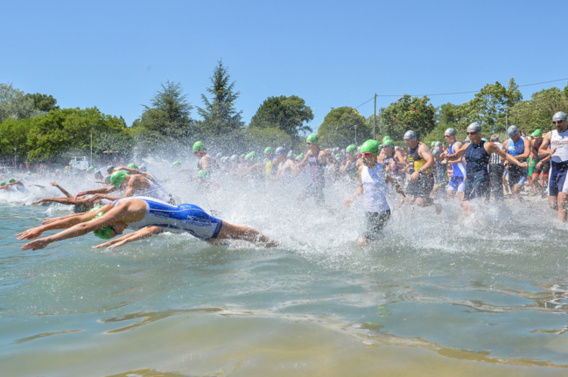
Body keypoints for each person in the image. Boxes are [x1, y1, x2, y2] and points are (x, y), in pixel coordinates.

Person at [18, 196, 278, 250]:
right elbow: (79, 218)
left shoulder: (123, 209)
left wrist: (49, 240)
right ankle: (271, 242)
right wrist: (44, 226)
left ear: (110, 224)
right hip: (186, 222)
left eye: (113, 231)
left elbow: (87, 226)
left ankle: (278, 245)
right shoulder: (111, 208)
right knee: (228, 241)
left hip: (191, 220)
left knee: (241, 235)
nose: (118, 231)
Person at [444, 123, 527, 216]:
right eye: (467, 133)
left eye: (472, 133)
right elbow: (456, 155)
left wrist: (519, 163)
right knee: (466, 204)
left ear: (479, 133)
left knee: (478, 203)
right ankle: (472, 224)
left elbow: (505, 155)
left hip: (481, 177)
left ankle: (484, 221)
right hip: (470, 178)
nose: (469, 135)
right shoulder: (466, 146)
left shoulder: (487, 145)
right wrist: (447, 156)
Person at [344, 139, 406, 246]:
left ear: (374, 155)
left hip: (383, 212)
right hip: (369, 212)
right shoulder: (361, 169)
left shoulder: (383, 170)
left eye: (366, 155)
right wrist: (351, 199)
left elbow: (395, 185)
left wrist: (404, 197)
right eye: (361, 155)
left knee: (363, 240)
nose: (363, 157)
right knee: (375, 237)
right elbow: (361, 187)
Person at [76, 170, 176, 205]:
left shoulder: (134, 180)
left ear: (123, 180)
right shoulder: (126, 181)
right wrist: (87, 192)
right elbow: (108, 190)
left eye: (120, 186)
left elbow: (126, 198)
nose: (120, 188)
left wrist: (102, 196)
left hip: (168, 202)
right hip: (161, 203)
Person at [538, 111, 568, 221]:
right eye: (554, 122)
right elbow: (540, 151)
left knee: (561, 202)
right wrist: (548, 151)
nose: (557, 124)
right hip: (554, 168)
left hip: (566, 168)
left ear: (565, 120)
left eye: (559, 122)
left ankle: (562, 232)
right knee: (552, 204)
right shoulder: (550, 134)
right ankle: (565, 217)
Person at [402, 130, 441, 212]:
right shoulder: (410, 148)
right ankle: (412, 218)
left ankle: (435, 203)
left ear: (413, 139)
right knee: (408, 198)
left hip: (425, 177)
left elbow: (431, 161)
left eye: (408, 140)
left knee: (419, 202)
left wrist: (418, 171)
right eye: (405, 140)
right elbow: (414, 161)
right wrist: (407, 168)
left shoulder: (422, 148)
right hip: (415, 177)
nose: (406, 142)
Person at [296, 134, 338, 205]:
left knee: (300, 197)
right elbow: (302, 163)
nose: (307, 145)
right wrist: (297, 167)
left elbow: (336, 163)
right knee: (321, 204)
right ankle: (336, 214)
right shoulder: (309, 153)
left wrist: (335, 174)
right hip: (313, 181)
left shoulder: (322, 154)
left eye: (309, 143)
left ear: (315, 144)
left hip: (319, 182)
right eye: (306, 143)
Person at [502, 125, 530, 201]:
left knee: (516, 189)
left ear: (518, 133)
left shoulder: (524, 140)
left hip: (522, 167)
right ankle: (521, 206)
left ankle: (519, 207)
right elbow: (503, 157)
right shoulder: (506, 143)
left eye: (513, 136)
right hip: (512, 168)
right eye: (510, 136)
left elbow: (526, 154)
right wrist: (505, 162)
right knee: (514, 193)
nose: (512, 138)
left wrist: (511, 158)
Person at [443, 128, 466, 200]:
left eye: (447, 136)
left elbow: (460, 159)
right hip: (455, 174)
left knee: (460, 195)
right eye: (445, 136)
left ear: (452, 136)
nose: (446, 138)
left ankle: (468, 210)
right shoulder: (450, 146)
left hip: (462, 174)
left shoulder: (456, 145)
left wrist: (448, 162)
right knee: (449, 194)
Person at [488, 134, 506, 201]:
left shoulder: (490, 146)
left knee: (495, 182)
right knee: (499, 181)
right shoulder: (502, 145)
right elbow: (504, 156)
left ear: (491, 140)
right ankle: (500, 197)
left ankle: (497, 198)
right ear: (498, 139)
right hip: (500, 165)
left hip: (493, 165)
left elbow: (489, 157)